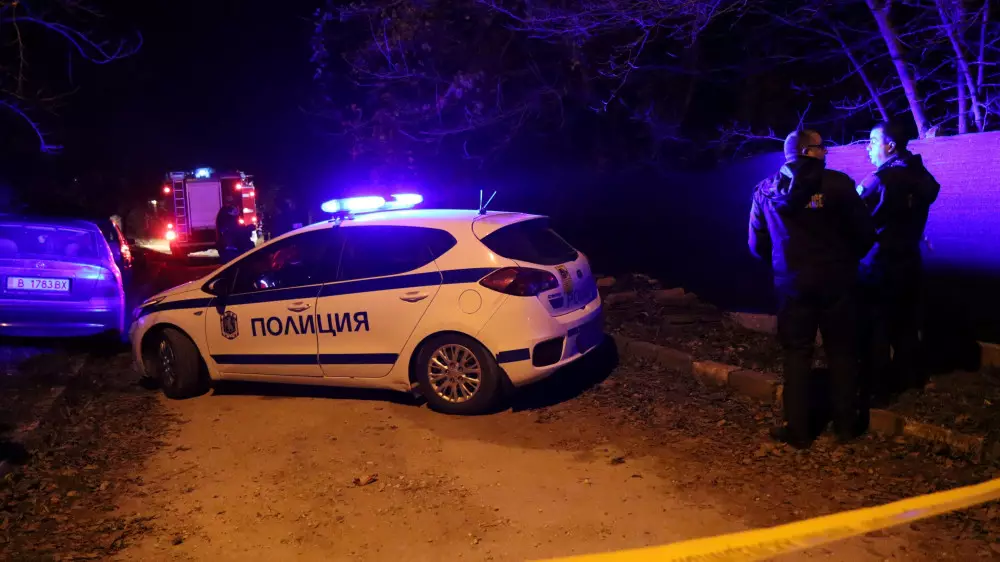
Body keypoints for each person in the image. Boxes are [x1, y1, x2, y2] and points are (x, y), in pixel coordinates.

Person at [749, 129, 876, 449]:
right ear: (808, 151)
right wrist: (846, 261)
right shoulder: (839, 185)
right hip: (837, 282)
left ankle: (798, 430)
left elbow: (756, 244)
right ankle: (845, 426)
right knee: (842, 351)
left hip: (792, 286)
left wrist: (784, 266)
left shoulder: (765, 190)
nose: (826, 152)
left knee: (796, 353)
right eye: (822, 147)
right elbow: (865, 232)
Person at [858, 121, 941, 405]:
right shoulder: (920, 176)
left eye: (873, 141)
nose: (868, 148)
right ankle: (910, 378)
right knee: (905, 321)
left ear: (890, 146)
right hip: (909, 259)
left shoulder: (878, 180)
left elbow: (854, 216)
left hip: (878, 263)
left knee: (876, 324)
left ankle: (878, 389)